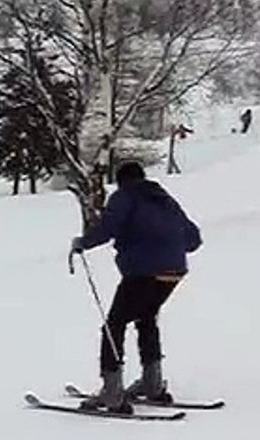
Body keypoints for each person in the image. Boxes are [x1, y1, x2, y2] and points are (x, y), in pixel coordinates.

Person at [70, 161, 202, 413]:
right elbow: (193, 240)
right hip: (173, 272)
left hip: (143, 271)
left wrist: (83, 243)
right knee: (146, 318)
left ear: (121, 180)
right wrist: (167, 245)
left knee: (114, 325)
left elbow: (107, 228)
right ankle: (153, 385)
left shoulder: (124, 196)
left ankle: (111, 393)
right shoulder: (166, 200)